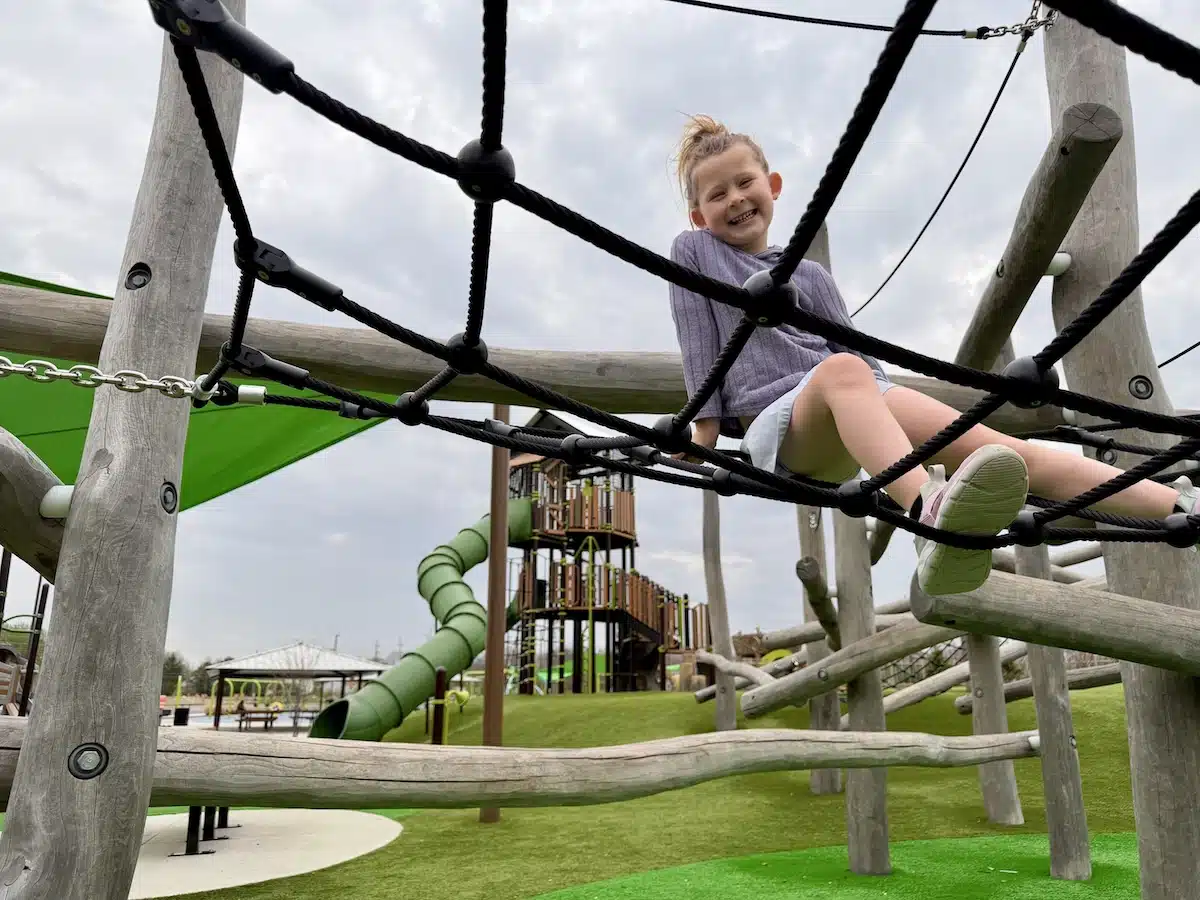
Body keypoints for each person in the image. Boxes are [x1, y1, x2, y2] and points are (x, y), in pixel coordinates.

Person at [667, 114, 1198, 596]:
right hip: (784, 428)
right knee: (843, 371)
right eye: (717, 195)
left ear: (773, 186)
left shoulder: (810, 276)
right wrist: (703, 433)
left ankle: (1178, 505)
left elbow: (862, 363)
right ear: (698, 215)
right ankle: (930, 513)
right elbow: (700, 344)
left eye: (744, 183)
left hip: (850, 403)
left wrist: (893, 419)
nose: (734, 199)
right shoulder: (694, 252)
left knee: (1008, 451)